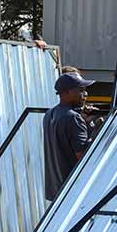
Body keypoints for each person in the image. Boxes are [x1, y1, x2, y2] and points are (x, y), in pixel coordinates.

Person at [43, 71, 95, 202]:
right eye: (81, 90)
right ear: (66, 93)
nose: (85, 94)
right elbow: (83, 156)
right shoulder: (73, 118)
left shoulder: (49, 114)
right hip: (73, 191)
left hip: (56, 190)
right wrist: (95, 127)